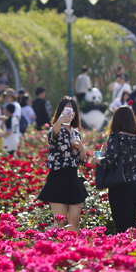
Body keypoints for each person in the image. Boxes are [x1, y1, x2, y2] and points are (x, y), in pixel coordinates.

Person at [89, 106, 136, 233]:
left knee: (123, 229)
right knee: (132, 228)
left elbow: (109, 162)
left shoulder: (116, 137)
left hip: (121, 186)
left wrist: (97, 160)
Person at [37, 97, 88, 232]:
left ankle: (74, 251)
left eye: (73, 110)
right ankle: (56, 250)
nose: (70, 113)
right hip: (57, 178)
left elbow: (82, 160)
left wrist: (82, 148)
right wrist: (60, 120)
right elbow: (53, 134)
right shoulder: (56, 129)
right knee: (60, 222)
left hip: (73, 177)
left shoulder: (76, 134)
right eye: (66, 110)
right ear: (60, 112)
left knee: (74, 221)